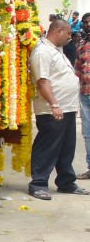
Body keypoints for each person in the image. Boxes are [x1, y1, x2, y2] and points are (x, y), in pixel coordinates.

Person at [28, 18, 89, 199]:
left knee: (66, 148)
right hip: (52, 109)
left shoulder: (56, 51)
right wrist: (54, 104)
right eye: (69, 33)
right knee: (48, 146)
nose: (71, 37)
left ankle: (66, 182)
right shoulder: (42, 52)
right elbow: (42, 81)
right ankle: (38, 184)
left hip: (66, 108)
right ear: (58, 31)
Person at [77, 13, 90, 181]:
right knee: (87, 133)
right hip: (85, 95)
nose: (88, 25)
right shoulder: (81, 46)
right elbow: (78, 71)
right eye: (86, 22)